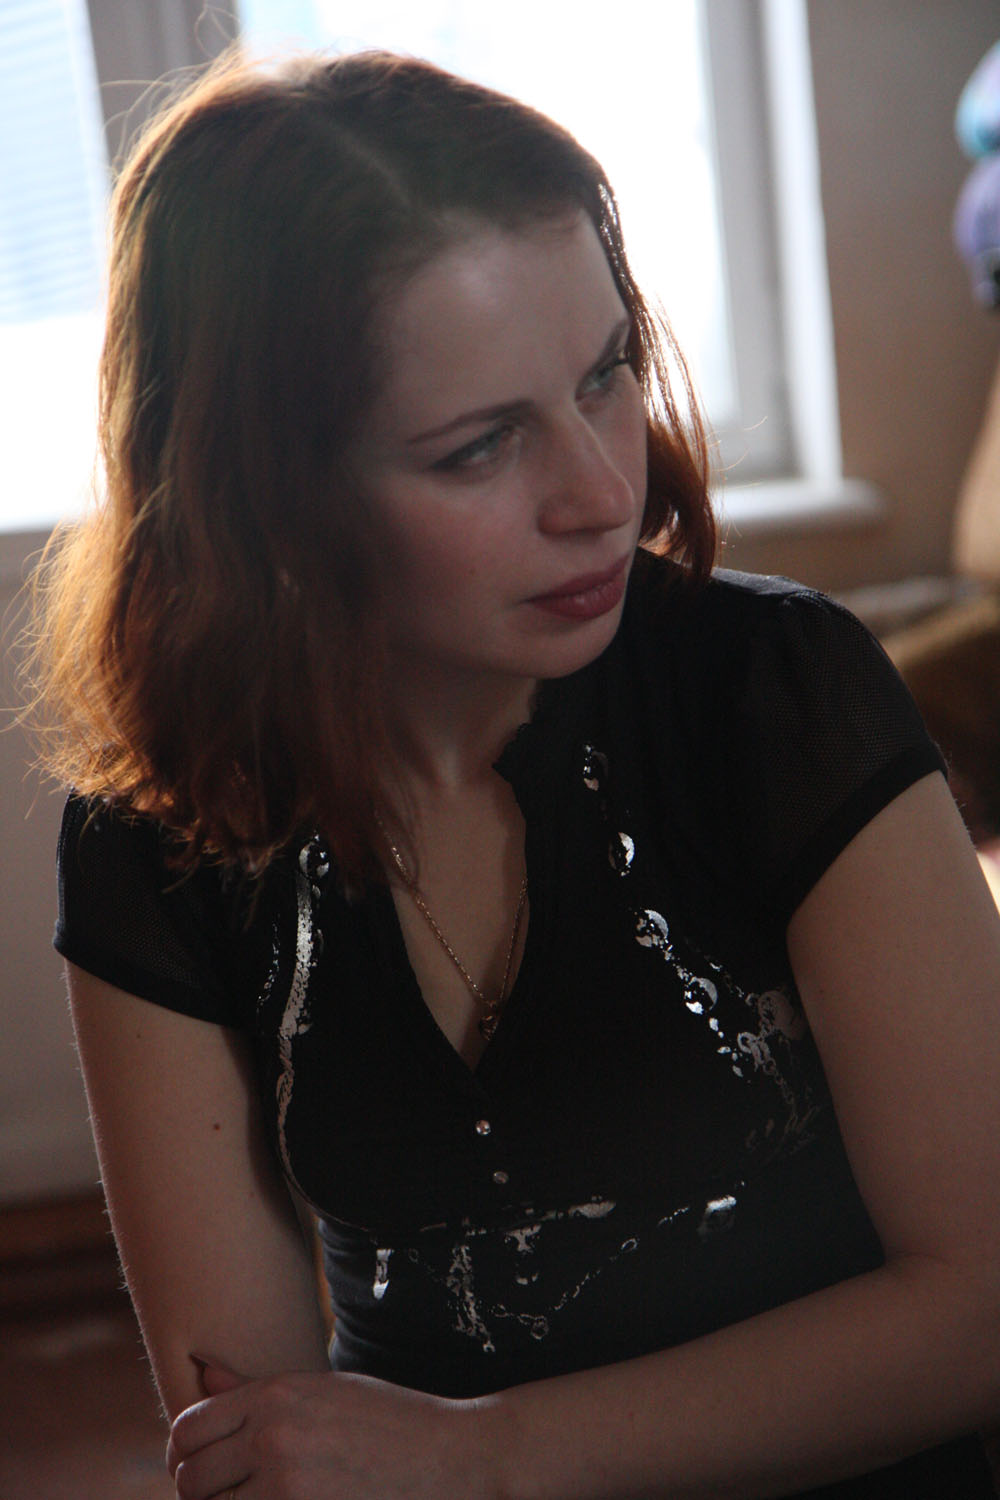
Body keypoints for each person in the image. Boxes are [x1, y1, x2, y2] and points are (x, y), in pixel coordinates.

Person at [30, 46, 1000, 1500]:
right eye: (479, 448)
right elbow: (261, 1444)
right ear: (260, 497)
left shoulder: (777, 694)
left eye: (605, 373)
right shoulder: (161, 835)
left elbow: (983, 1311)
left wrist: (483, 1455)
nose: (604, 493)